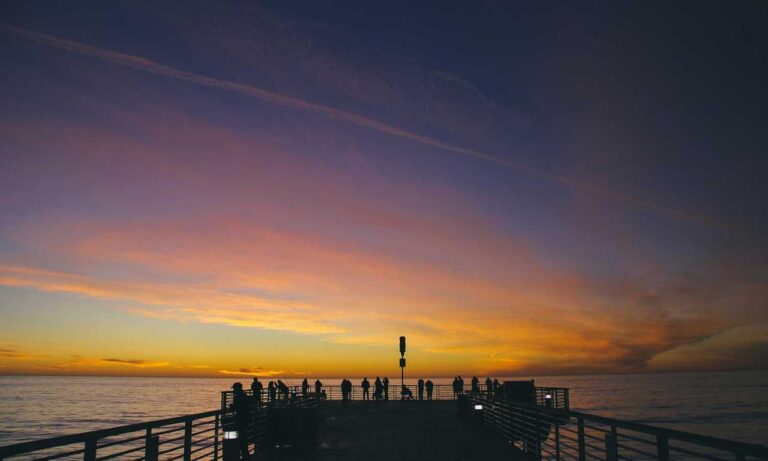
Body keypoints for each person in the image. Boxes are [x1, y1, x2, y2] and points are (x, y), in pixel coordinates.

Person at [230, 382, 251, 461]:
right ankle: (245, 454)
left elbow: (236, 407)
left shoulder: (238, 396)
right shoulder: (244, 395)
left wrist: (232, 406)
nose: (234, 390)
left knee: (242, 436)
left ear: (237, 388)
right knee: (243, 436)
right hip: (246, 418)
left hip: (240, 418)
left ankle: (243, 455)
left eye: (234, 389)